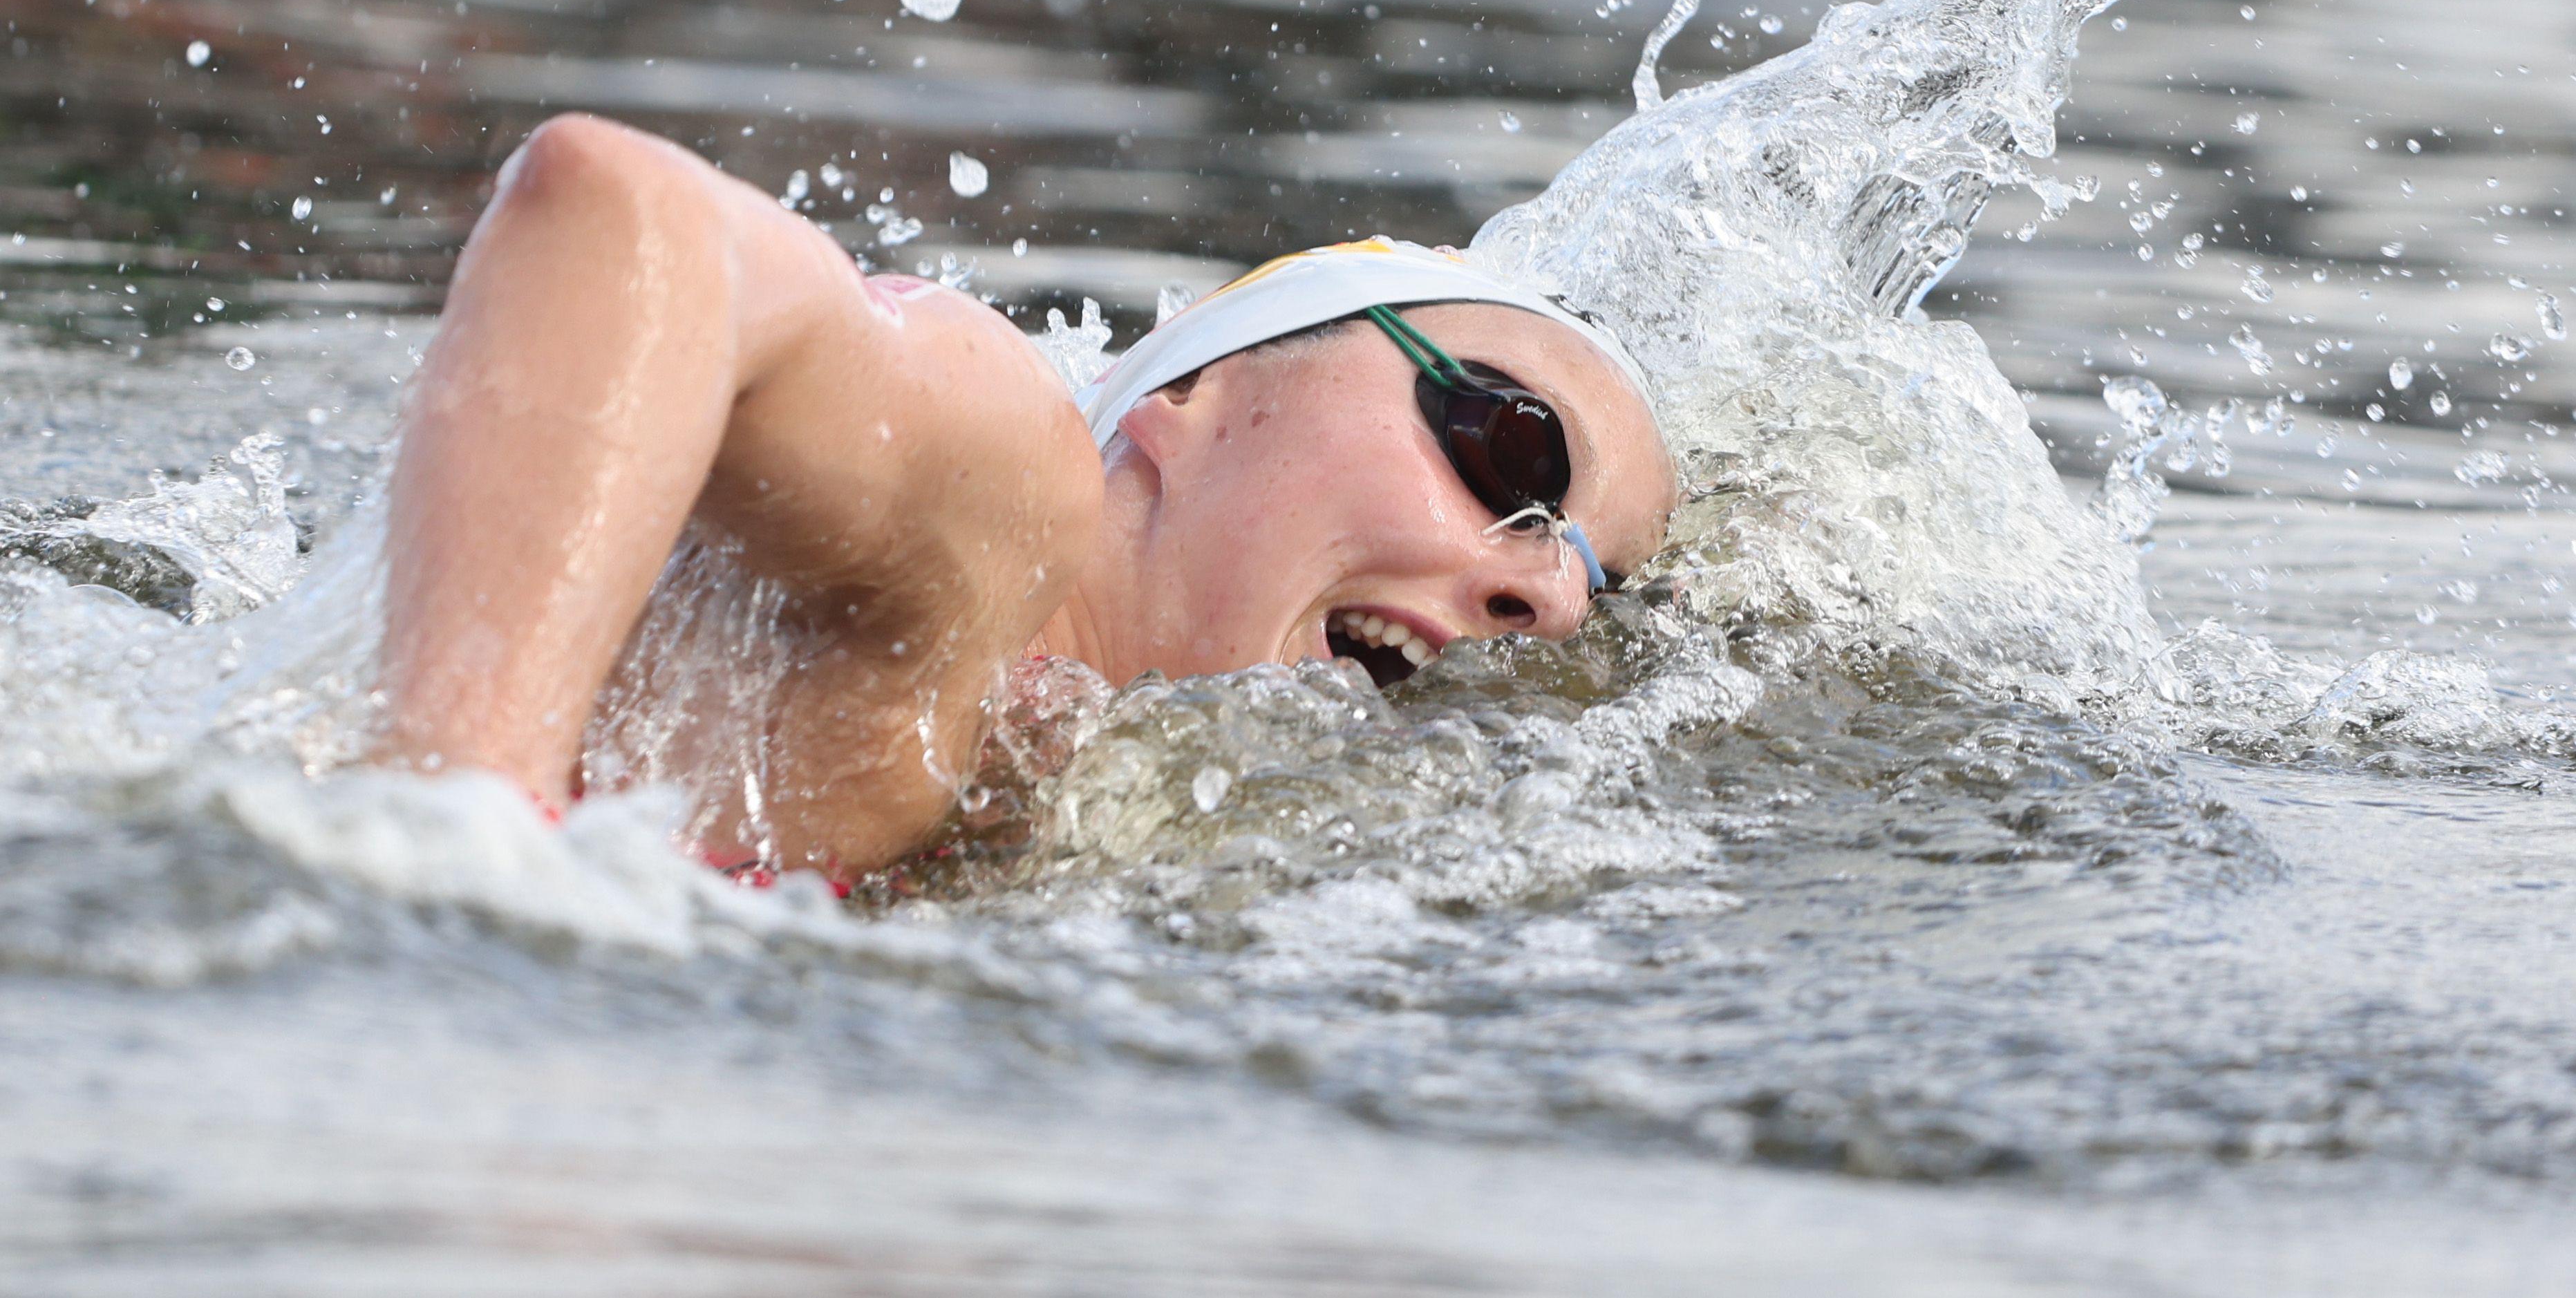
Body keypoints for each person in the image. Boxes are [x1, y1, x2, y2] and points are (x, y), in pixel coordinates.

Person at [371, 114, 1677, 883]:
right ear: (1201, 389)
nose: (1551, 591)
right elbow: (614, 207)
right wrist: (457, 834)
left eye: (1589, 577)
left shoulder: (1058, 775)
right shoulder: (1013, 505)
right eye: (1517, 453)